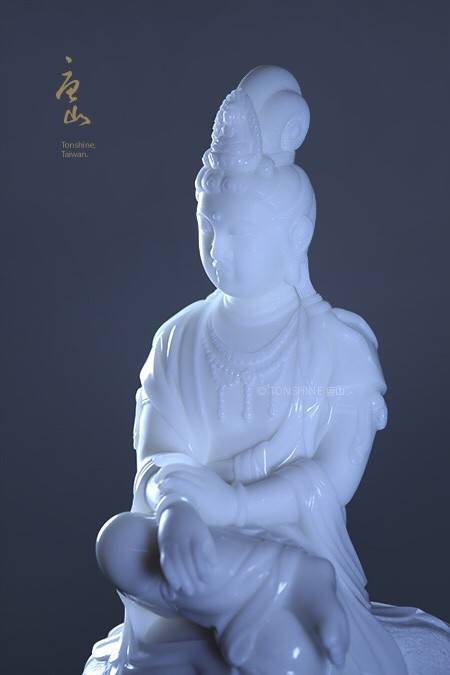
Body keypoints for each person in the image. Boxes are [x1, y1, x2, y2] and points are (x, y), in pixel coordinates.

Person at [84, 66, 450, 675]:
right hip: (196, 544)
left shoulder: (336, 345)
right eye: (208, 225)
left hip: (289, 536)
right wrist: (176, 510)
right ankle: (270, 585)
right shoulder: (177, 338)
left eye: (240, 231)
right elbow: (158, 458)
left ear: (295, 234)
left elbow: (330, 480)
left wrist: (232, 506)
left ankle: (293, 585)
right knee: (119, 542)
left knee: (287, 656)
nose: (219, 248)